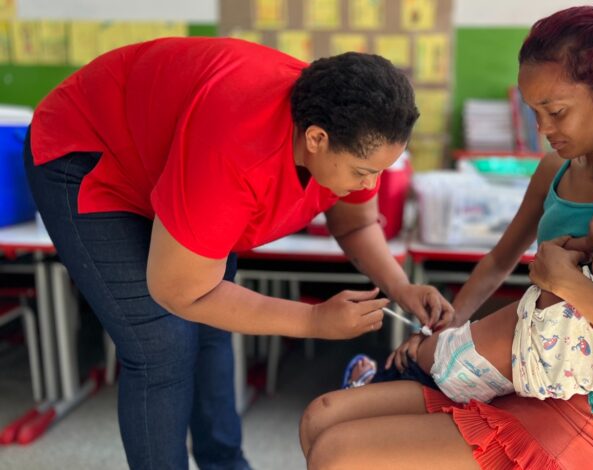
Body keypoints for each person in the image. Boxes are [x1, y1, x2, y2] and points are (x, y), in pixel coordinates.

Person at [298, 3, 593, 469]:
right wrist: (443, 329)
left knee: (338, 455)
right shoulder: (557, 167)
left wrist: (570, 285)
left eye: (556, 111)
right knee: (320, 417)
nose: (543, 129)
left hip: (576, 409)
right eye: (533, 112)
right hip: (511, 370)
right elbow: (499, 261)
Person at [24, 37, 453, 470]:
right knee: (162, 348)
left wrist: (401, 287)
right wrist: (313, 320)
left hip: (172, 160)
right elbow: (181, 292)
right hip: (89, 151)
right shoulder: (237, 151)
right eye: (364, 172)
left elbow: (356, 224)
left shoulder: (353, 130)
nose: (370, 185)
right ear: (316, 138)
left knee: (213, 328)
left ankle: (225, 463)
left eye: (381, 171)